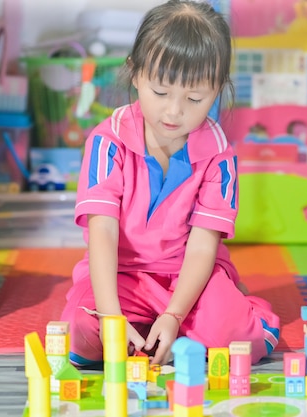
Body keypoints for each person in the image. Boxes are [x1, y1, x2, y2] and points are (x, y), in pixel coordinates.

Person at [60, 0, 280, 366]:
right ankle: (142, 326)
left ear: (218, 90)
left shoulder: (220, 155)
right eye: (160, 92)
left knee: (234, 337)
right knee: (83, 332)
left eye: (195, 98)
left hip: (188, 279)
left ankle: (237, 307)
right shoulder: (107, 141)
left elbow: (200, 248)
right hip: (120, 274)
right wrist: (112, 318)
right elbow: (103, 234)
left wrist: (174, 315)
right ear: (135, 73)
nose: (174, 111)